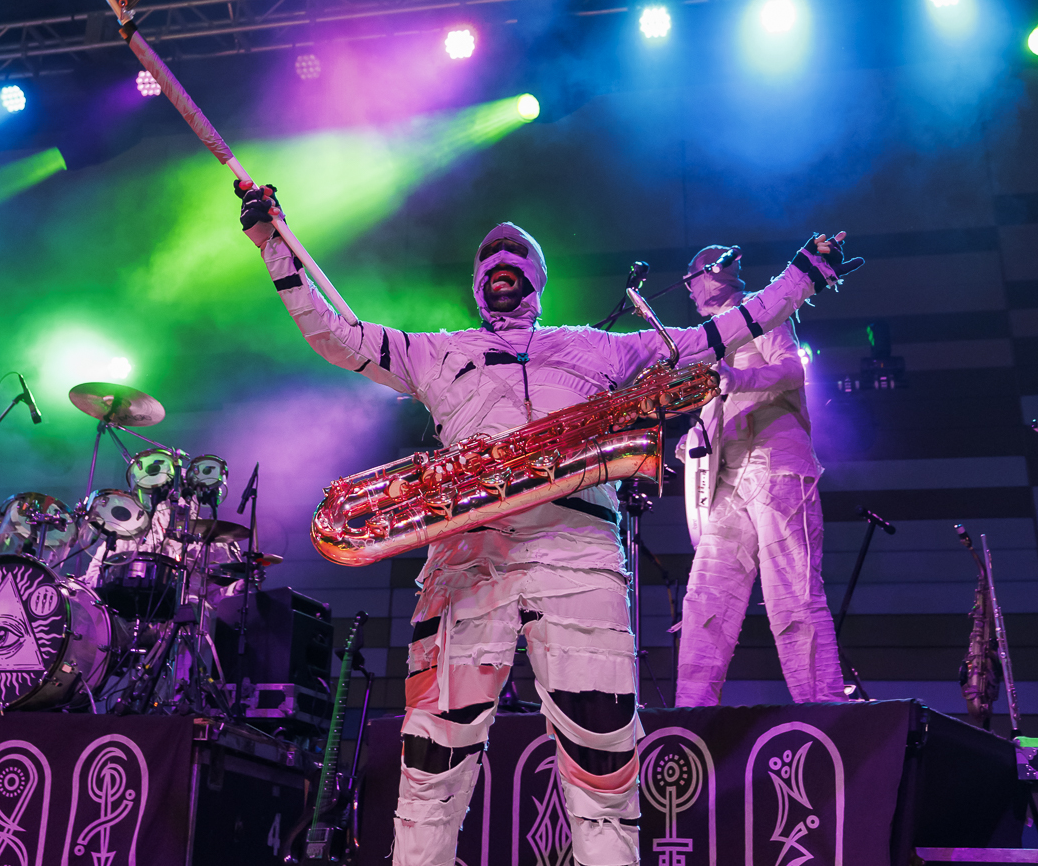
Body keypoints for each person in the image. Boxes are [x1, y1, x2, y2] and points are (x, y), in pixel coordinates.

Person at [236, 184, 861, 866]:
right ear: (477, 283)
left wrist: (799, 279)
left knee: (604, 761)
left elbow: (708, 338)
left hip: (579, 548)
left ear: (537, 278)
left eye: (516, 254)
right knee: (432, 764)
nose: (501, 257)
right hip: (466, 555)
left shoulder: (595, 347)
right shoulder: (434, 351)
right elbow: (337, 336)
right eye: (489, 255)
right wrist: (276, 246)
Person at [675, 245, 845, 707]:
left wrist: (739, 381)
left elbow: (791, 369)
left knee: (793, 592)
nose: (689, 290)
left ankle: (827, 715)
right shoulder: (709, 339)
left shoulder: (759, 313)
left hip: (776, 465)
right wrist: (696, 438)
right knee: (706, 600)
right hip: (730, 480)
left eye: (692, 278)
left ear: (712, 275)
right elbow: (721, 399)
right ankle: (688, 720)